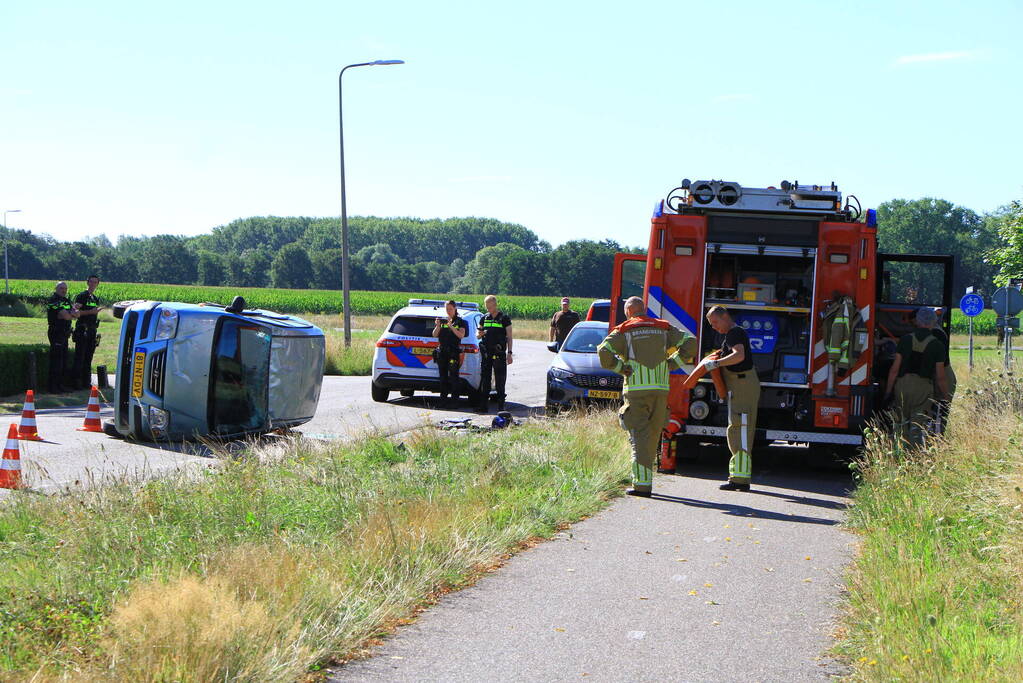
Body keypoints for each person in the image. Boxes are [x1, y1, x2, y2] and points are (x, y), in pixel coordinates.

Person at [597, 296, 696, 497]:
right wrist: (672, 363)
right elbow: (691, 343)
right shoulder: (663, 327)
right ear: (644, 310)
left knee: (639, 436)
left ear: (628, 312)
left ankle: (642, 485)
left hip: (637, 390)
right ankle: (646, 480)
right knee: (652, 435)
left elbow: (603, 351)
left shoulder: (624, 330)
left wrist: (620, 368)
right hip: (660, 390)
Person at [692, 306, 760, 492]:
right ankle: (738, 477)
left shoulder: (734, 333)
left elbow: (739, 355)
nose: (713, 327)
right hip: (740, 386)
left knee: (741, 430)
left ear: (725, 317)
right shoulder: (731, 334)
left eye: (715, 322)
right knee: (737, 430)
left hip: (743, 385)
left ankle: (740, 480)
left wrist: (716, 363)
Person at [884, 306, 949, 447]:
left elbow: (894, 370)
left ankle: (897, 455)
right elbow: (941, 377)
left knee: (900, 425)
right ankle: (913, 460)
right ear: (933, 322)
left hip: (902, 386)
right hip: (923, 389)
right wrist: (945, 398)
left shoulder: (905, 340)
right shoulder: (937, 345)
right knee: (917, 428)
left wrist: (888, 392)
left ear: (917, 321)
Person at [476, 294, 513, 414]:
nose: (488, 308)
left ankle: (501, 407)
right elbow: (478, 334)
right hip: (487, 353)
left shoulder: (504, 318)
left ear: (495, 305)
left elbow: (510, 337)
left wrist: (509, 353)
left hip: (499, 353)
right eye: (486, 305)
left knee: (500, 381)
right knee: (485, 381)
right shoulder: (484, 318)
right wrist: (480, 334)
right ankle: (483, 406)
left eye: (490, 305)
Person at [45, 281, 79, 393]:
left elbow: (76, 314)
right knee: (56, 361)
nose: (64, 290)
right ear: (56, 289)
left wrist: (70, 313)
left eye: (65, 288)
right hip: (56, 332)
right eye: (61, 288)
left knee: (63, 360)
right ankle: (53, 387)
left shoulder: (66, 300)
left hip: (65, 333)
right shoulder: (53, 300)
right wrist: (71, 314)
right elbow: (67, 316)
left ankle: (61, 385)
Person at [71, 275, 104, 390]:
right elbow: (75, 312)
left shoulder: (95, 298)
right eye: (92, 282)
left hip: (92, 330)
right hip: (82, 329)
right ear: (87, 282)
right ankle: (76, 383)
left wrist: (94, 313)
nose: (93, 284)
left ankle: (87, 382)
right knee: (80, 357)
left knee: (89, 357)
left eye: (96, 282)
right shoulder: (82, 296)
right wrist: (91, 312)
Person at [432, 300, 467, 406]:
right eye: (447, 309)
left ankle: (454, 401)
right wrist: (438, 326)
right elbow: (434, 335)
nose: (448, 311)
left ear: (455, 308)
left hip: (453, 353)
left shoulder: (460, 321)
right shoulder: (443, 321)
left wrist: (451, 326)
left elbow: (461, 335)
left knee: (454, 378)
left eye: (450, 309)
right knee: (443, 378)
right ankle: (443, 400)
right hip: (442, 352)